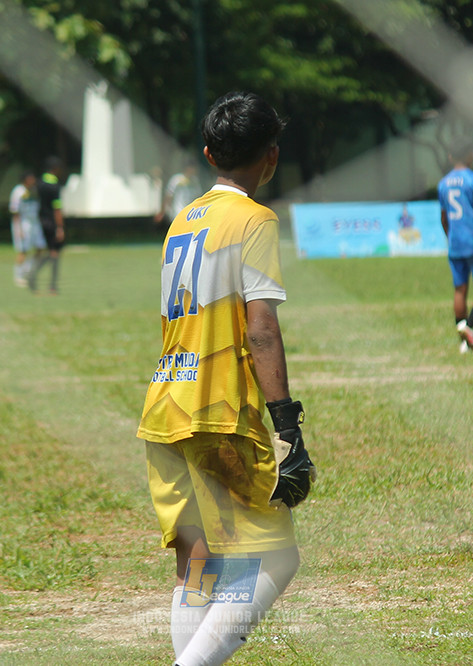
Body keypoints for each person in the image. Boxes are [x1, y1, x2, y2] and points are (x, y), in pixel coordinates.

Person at [137, 91, 315, 666]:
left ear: (209, 153)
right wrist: (288, 424)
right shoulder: (254, 219)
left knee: (200, 561)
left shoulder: (182, 220)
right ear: (273, 156)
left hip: (165, 406)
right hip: (219, 414)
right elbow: (260, 326)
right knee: (275, 558)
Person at [438, 141, 473, 353]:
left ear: (451, 157)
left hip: (455, 243)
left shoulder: (443, 183)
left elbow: (443, 217)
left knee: (460, 290)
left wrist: (450, 237)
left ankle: (463, 341)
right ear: (470, 155)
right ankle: (468, 327)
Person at [30, 156, 67, 294]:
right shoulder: (54, 186)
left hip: (41, 221)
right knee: (54, 253)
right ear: (55, 169)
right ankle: (51, 285)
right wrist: (60, 227)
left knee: (52, 252)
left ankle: (36, 277)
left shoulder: (39, 183)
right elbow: (57, 208)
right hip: (52, 222)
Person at [8, 172, 45, 287]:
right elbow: (15, 212)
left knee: (40, 248)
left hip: (35, 223)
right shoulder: (18, 191)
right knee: (23, 250)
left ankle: (28, 271)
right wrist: (18, 229)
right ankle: (18, 275)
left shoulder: (34, 190)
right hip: (23, 223)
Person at [155, 159, 202, 225]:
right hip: (177, 213)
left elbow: (198, 197)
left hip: (191, 214)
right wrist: (162, 212)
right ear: (186, 168)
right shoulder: (176, 179)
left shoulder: (194, 181)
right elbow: (168, 196)